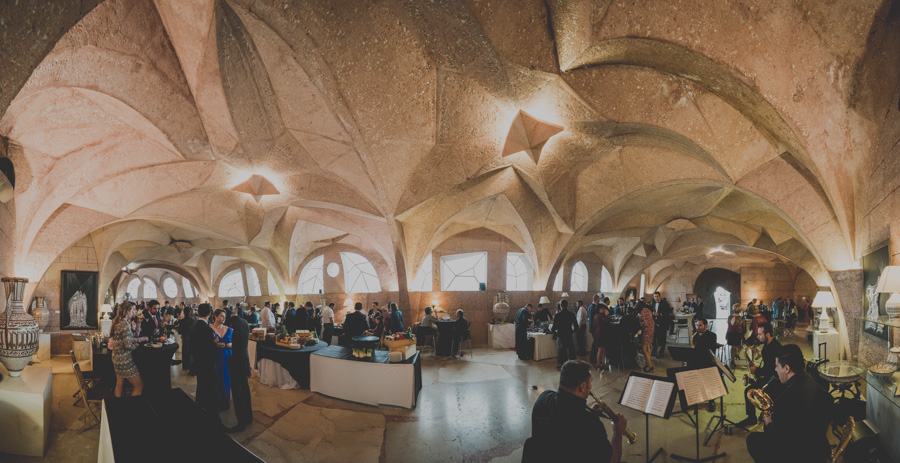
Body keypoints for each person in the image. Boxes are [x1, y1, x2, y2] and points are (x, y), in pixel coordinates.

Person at [527, 360, 626, 462]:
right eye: (590, 382)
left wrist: (588, 413)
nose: (591, 387)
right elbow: (611, 460)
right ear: (582, 386)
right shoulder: (591, 424)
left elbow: (564, 415)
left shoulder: (543, 397)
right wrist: (617, 432)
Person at [746, 344, 832, 463]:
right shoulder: (814, 383)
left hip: (799, 455)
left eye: (777, 366)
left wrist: (768, 422)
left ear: (786, 368)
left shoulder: (785, 400)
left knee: (752, 439)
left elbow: (776, 439)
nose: (775, 370)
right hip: (819, 450)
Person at [736, 323, 782, 429]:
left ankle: (752, 418)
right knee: (750, 387)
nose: (757, 336)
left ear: (768, 334)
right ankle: (752, 417)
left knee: (748, 391)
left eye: (760, 334)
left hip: (774, 381)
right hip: (769, 377)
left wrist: (756, 370)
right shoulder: (767, 345)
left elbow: (771, 371)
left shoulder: (775, 349)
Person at [190, 303, 223, 428]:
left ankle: (199, 409)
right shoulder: (207, 329)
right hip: (207, 364)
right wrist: (215, 343)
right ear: (210, 314)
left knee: (201, 386)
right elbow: (210, 349)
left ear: (198, 312)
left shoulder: (194, 327)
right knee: (212, 389)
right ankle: (214, 417)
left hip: (198, 363)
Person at [110, 301, 144, 397]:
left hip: (116, 358)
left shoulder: (118, 322)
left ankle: (118, 408)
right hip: (124, 360)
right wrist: (136, 346)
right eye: (133, 310)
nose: (135, 312)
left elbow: (125, 339)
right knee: (139, 386)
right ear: (127, 311)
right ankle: (131, 410)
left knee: (119, 384)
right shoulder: (124, 324)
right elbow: (128, 345)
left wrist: (134, 328)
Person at [226, 309, 252, 433]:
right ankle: (248, 417)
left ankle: (241, 422)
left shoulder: (230, 326)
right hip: (245, 360)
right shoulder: (245, 322)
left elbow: (230, 343)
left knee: (237, 392)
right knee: (245, 390)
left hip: (235, 362)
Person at [211, 308, 233, 411]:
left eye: (224, 316)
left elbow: (235, 342)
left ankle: (225, 402)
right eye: (221, 316)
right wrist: (215, 345)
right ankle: (216, 402)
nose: (224, 318)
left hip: (227, 359)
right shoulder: (210, 329)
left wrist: (230, 344)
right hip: (215, 358)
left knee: (225, 380)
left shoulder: (229, 329)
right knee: (216, 380)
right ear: (215, 317)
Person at [552, 299, 578, 369]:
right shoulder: (571, 314)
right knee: (571, 349)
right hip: (569, 334)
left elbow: (553, 328)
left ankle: (561, 365)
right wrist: (572, 331)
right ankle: (573, 364)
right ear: (567, 305)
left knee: (561, 351)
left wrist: (555, 331)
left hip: (560, 335)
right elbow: (576, 326)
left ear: (560, 306)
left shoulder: (557, 315)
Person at [651, 292, 673, 358]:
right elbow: (652, 309)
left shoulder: (664, 303)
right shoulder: (653, 302)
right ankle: (654, 350)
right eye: (655, 296)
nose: (656, 298)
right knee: (654, 337)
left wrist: (660, 314)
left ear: (660, 296)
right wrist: (653, 313)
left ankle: (661, 353)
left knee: (663, 339)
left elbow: (667, 313)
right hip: (655, 322)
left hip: (663, 323)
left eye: (657, 296)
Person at [176, 305, 197, 375]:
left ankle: (186, 366)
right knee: (191, 354)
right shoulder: (194, 320)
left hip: (185, 338)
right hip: (193, 338)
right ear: (190, 312)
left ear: (184, 313)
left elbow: (179, 332)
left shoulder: (182, 321)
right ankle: (191, 368)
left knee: (185, 353)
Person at [725, 304, 746, 369]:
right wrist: (744, 334)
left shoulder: (729, 317)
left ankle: (732, 360)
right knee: (741, 346)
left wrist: (726, 334)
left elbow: (729, 326)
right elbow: (744, 328)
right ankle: (737, 353)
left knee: (733, 347)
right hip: (738, 334)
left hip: (730, 333)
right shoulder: (742, 318)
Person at [592, 302, 611, 370]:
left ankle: (602, 363)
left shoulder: (596, 315)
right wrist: (607, 315)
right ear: (600, 309)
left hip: (599, 332)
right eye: (603, 308)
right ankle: (598, 364)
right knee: (601, 349)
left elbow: (594, 325)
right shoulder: (601, 315)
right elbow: (606, 321)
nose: (604, 309)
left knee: (603, 348)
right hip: (602, 332)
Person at [638, 302, 655, 372]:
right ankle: (646, 364)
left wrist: (640, 320)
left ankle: (650, 366)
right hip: (651, 330)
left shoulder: (643, 311)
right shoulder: (648, 310)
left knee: (644, 348)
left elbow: (645, 323)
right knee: (648, 347)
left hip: (646, 331)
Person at [587, 295, 602, 362]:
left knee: (595, 343)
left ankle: (594, 358)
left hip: (591, 327)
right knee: (596, 343)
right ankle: (594, 358)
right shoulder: (595, 308)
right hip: (595, 328)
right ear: (597, 299)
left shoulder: (590, 306)